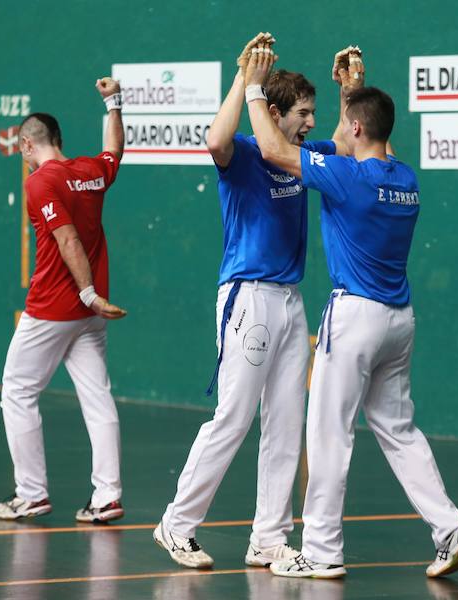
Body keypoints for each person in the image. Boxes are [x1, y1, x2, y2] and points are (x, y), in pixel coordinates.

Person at [243, 42, 458, 579]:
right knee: (400, 431)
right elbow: (368, 137)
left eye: (343, 121)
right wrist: (354, 90)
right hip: (400, 321)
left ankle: (322, 551)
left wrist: (255, 86)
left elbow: (276, 152)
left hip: (355, 321)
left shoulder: (346, 178)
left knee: (328, 433)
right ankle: (450, 528)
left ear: (351, 128)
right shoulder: (405, 180)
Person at [153, 33, 351, 569]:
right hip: (248, 297)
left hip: (290, 301)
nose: (310, 122)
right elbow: (216, 140)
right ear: (278, 111)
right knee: (234, 416)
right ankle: (176, 524)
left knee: (286, 420)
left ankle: (268, 537)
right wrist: (246, 78)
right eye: (304, 113)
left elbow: (346, 143)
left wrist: (346, 91)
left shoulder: (302, 155)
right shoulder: (243, 153)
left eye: (312, 113)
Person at [0, 77, 128, 525]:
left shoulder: (40, 182)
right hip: (90, 314)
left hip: (54, 307)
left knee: (17, 391)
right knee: (97, 397)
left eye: (21, 148)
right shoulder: (90, 171)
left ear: (29, 144)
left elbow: (67, 238)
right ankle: (106, 497)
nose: (23, 156)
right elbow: (115, 152)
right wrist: (114, 103)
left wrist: (86, 292)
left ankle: (31, 494)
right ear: (60, 141)